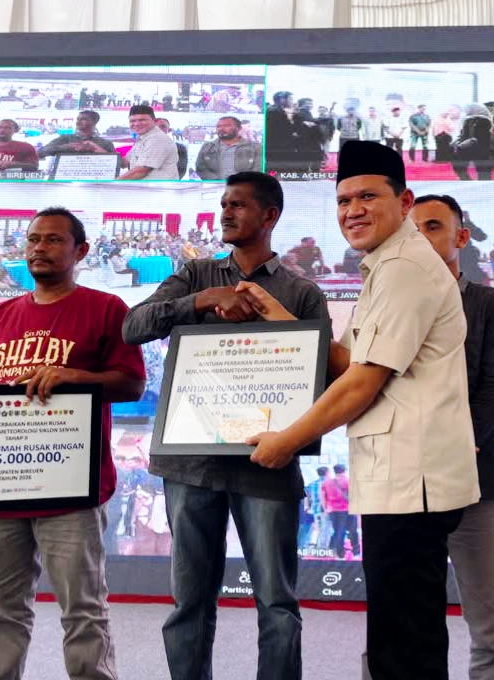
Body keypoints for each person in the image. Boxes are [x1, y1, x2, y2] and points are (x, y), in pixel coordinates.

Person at [229, 141, 480, 680]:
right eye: (344, 200)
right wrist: (281, 318)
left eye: (368, 196)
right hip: (402, 478)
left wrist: (286, 441)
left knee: (404, 644)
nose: (353, 211)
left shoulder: (405, 268)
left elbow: (362, 383)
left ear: (405, 202)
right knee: (402, 633)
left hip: (413, 480)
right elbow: (350, 362)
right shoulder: (386, 266)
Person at [121, 172, 327, 680]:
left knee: (277, 602)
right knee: (190, 600)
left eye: (238, 205)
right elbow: (131, 327)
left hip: (267, 461)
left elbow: (320, 379)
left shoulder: (301, 292)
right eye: (223, 204)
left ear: (270, 216)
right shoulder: (194, 275)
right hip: (189, 463)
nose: (225, 213)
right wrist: (202, 300)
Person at [0, 207, 146, 680]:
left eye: (52, 240)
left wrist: (75, 377)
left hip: (70, 488)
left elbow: (132, 385)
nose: (38, 248)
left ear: (80, 251)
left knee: (84, 610)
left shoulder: (107, 308)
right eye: (32, 239)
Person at [414, 194, 494, 680]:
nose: (420, 238)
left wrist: (451, 446)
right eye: (411, 229)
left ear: (460, 237)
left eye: (432, 226)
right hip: (403, 486)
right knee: (403, 625)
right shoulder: (382, 302)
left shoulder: (489, 304)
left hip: (476, 480)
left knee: (491, 632)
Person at [120, 104, 180, 180]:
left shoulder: (158, 139)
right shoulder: (143, 138)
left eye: (142, 120)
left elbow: (140, 172)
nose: (136, 124)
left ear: (154, 121)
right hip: (147, 187)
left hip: (159, 187)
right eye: (132, 121)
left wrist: (112, 183)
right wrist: (107, 154)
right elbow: (124, 163)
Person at [195, 116, 263, 180]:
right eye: (218, 126)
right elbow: (201, 168)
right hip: (214, 186)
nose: (221, 129)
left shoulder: (256, 147)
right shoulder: (207, 147)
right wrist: (218, 182)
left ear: (239, 128)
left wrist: (239, 183)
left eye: (227, 126)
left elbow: (258, 169)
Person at [38, 110, 116, 158]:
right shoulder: (65, 139)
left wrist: (94, 149)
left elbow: (115, 162)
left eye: (83, 119)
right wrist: (67, 147)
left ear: (94, 121)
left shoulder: (105, 143)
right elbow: (40, 152)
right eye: (78, 119)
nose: (78, 122)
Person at [322, 464, 357, 559]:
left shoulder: (326, 483)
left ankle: (340, 554)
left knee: (338, 532)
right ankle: (356, 552)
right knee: (353, 530)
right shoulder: (348, 481)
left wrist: (326, 509)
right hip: (347, 509)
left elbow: (323, 497)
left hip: (332, 510)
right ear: (344, 471)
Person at [453, 104, 494, 181]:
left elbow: (478, 136)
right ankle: (471, 182)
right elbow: (464, 134)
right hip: (473, 148)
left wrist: (461, 144)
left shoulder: (482, 120)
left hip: (478, 148)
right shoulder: (468, 120)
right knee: (482, 170)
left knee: (483, 170)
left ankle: (479, 184)